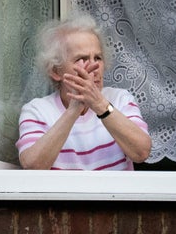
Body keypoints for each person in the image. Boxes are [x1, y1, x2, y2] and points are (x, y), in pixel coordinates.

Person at [16, 13, 152, 170]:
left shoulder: (120, 99)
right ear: (56, 71)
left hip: (113, 195)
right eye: (82, 59)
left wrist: (100, 104)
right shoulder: (37, 110)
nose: (94, 67)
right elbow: (33, 166)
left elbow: (141, 152)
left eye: (98, 58)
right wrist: (74, 110)